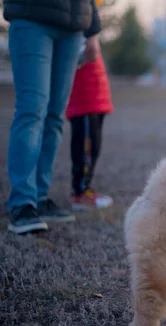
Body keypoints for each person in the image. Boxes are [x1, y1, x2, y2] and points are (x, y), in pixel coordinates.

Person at [4, 0, 101, 234]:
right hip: (32, 17)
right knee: (32, 111)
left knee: (55, 117)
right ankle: (22, 202)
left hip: (73, 27)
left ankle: (40, 196)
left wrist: (93, 32)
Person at [65, 29, 114, 210]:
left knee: (94, 146)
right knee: (86, 148)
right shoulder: (80, 24)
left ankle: (84, 189)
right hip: (84, 100)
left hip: (94, 96)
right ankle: (81, 193)